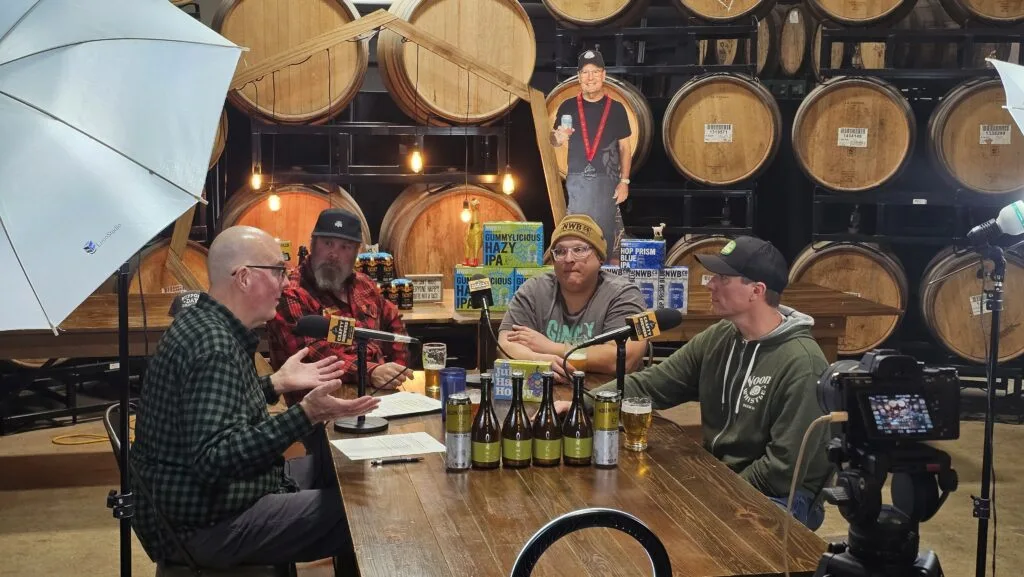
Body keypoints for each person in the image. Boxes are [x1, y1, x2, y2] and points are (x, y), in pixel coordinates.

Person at [131, 225, 381, 570]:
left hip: (198, 505)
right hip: (206, 524)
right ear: (245, 278)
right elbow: (214, 459)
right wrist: (304, 415)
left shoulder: (204, 325)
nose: (286, 282)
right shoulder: (214, 347)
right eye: (278, 270)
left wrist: (273, 383)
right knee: (362, 511)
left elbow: (209, 409)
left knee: (340, 472)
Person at [576, 236, 832, 530]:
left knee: (684, 532)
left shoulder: (803, 364)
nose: (709, 284)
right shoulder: (721, 336)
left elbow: (782, 471)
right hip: (724, 475)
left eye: (722, 278)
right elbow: (652, 384)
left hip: (782, 497)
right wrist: (581, 402)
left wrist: (713, 494)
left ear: (756, 291)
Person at [267, 207, 413, 408]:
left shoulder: (365, 284)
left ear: (356, 252)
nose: (334, 254)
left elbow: (394, 324)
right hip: (316, 411)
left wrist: (397, 372)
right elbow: (316, 357)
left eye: (345, 247)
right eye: (328, 243)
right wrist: (370, 372)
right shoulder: (292, 293)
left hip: (378, 398)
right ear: (313, 243)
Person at [498, 214, 647, 381]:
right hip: (548, 393)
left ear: (599, 257)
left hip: (608, 398)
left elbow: (624, 359)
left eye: (579, 250)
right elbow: (505, 345)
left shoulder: (626, 294)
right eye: (560, 252)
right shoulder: (533, 290)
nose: (568, 259)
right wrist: (538, 360)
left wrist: (551, 348)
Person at [550, 48, 632, 264]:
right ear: (578, 77)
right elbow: (554, 141)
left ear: (604, 75)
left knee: (605, 237)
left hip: (607, 180)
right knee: (578, 238)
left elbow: (625, 148)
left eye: (595, 72)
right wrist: (558, 137)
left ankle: (604, 286)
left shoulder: (617, 109)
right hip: (577, 181)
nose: (590, 77)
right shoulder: (568, 106)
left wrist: (624, 181)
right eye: (585, 73)